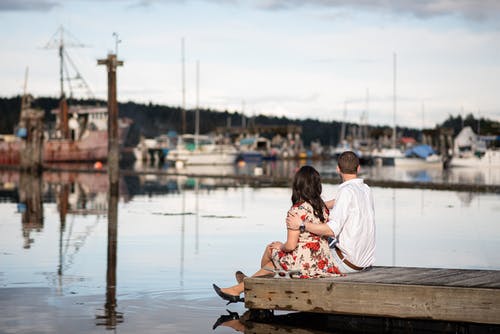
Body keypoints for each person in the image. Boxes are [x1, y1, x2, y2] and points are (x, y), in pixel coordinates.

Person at [213, 165, 341, 304]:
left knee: (272, 249)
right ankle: (246, 285)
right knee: (276, 258)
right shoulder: (323, 209)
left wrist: (281, 246)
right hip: (323, 263)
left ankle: (251, 287)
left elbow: (291, 246)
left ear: (298, 185)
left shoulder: (296, 211)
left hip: (305, 265)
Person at [287, 151, 375, 273]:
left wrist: (302, 224)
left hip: (347, 263)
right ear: (358, 168)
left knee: (307, 241)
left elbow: (331, 230)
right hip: (364, 262)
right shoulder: (365, 189)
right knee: (314, 238)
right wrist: (316, 205)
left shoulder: (346, 191)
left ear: (338, 169)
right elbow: (340, 203)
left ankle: (289, 259)